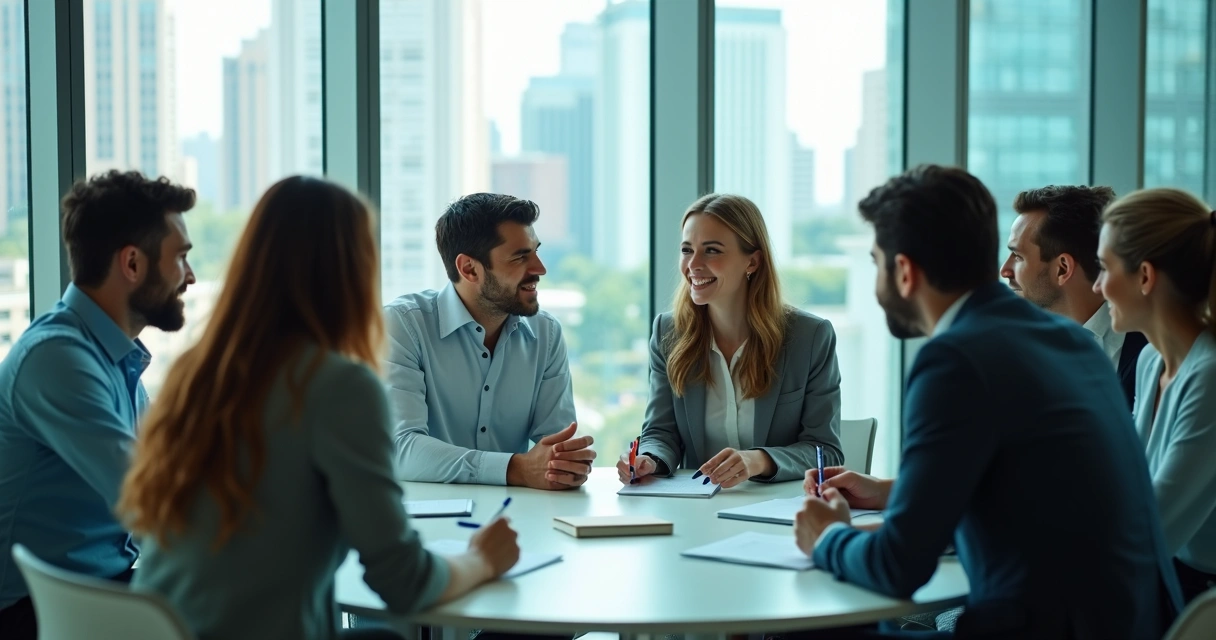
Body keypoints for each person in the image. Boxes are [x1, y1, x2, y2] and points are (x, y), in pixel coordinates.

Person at [120, 177, 520, 640]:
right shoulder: (337, 386)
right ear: (351, 271)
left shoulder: (196, 372)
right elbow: (405, 584)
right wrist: (481, 559)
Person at [792, 165, 1180, 639]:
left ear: (905, 272)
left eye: (876, 263)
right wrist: (895, 495)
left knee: (805, 629)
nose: (876, 286)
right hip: (1132, 625)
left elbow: (899, 567)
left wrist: (828, 537)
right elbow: (1026, 502)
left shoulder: (954, 359)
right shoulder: (1070, 340)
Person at [0, 170, 196, 640]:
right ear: (132, 263)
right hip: (39, 614)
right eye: (181, 258)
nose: (190, 277)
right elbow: (148, 500)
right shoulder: (58, 358)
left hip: (100, 588)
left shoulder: (113, 358)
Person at [617, 194, 842, 488]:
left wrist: (757, 460)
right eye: (687, 250)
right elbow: (661, 433)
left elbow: (826, 451)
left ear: (753, 261)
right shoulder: (668, 333)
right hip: (697, 509)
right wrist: (649, 459)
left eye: (712, 250)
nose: (693, 264)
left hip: (778, 511)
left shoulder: (810, 337)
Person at [384, 193, 593, 488]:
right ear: (469, 269)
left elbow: (555, 449)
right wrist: (516, 469)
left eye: (535, 251)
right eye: (521, 256)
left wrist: (566, 466)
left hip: (517, 519)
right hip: (427, 520)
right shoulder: (403, 326)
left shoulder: (547, 334)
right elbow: (401, 448)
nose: (540, 269)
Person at [1094, 188, 1216, 604]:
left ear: (1145, 277)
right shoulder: (1150, 361)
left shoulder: (1210, 376)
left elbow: (1151, 530)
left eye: (1103, 267)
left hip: (1193, 604)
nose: (1097, 286)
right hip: (1157, 584)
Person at [1000, 185, 1146, 407]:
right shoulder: (1018, 347)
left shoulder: (1152, 349)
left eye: (1018, 256)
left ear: (1062, 269)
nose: (1005, 270)